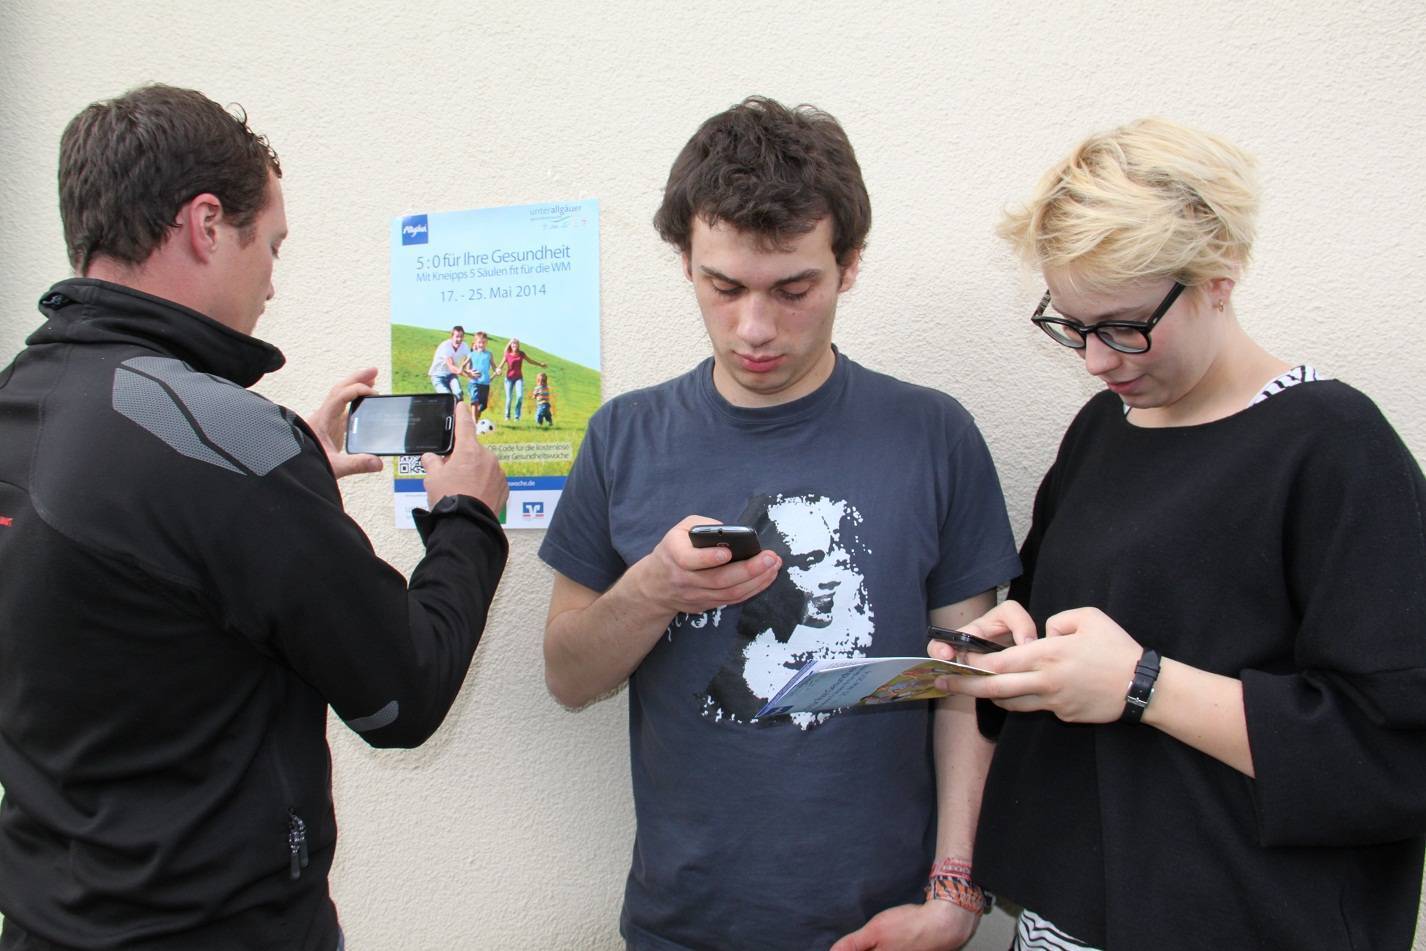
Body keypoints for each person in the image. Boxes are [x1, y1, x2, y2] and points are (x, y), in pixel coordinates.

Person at [0, 84, 511, 951]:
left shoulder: (24, 402)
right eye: (270, 244)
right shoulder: (228, 446)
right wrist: (466, 516)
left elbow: (131, 581)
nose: (274, 278)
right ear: (205, 225)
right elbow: (405, 695)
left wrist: (288, 467)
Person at [932, 118, 1426, 950]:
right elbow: (1062, 639)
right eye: (1073, 324)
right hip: (1069, 917)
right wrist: (1011, 652)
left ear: (1219, 275)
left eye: (1124, 325)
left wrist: (1143, 685)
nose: (1096, 359)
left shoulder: (1334, 446)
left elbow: (1394, 750)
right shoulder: (1103, 428)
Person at [539, 96, 1020, 951]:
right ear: (685, 259)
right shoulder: (624, 435)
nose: (754, 328)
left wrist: (955, 891)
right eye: (722, 287)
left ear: (850, 266)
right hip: (681, 924)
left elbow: (969, 682)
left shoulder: (932, 433)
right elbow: (569, 677)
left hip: (887, 921)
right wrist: (654, 588)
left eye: (793, 288)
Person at [495, 336, 545, 421]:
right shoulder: (507, 355)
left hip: (518, 378)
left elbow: (530, 361)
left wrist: (539, 364)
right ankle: (507, 416)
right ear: (510, 345)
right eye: (513, 344)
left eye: (516, 344)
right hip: (509, 379)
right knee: (509, 398)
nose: (514, 346)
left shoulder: (521, 354)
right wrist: (497, 371)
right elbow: (500, 366)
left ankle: (517, 417)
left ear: (518, 345)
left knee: (519, 396)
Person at [428, 324, 471, 399]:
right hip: (437, 375)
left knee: (458, 393)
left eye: (461, 336)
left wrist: (469, 370)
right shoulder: (445, 346)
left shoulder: (464, 346)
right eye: (457, 336)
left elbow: (469, 358)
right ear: (452, 337)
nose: (459, 339)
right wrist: (468, 375)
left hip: (451, 375)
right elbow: (451, 367)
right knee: (447, 397)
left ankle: (458, 409)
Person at [463, 329, 496, 423]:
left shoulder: (489, 354)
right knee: (475, 401)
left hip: (485, 383)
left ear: (487, 343)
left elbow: (494, 366)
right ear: (475, 343)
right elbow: (462, 367)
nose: (481, 344)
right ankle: (473, 421)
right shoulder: (471, 354)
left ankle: (475, 420)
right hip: (474, 382)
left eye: (484, 342)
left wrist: (497, 370)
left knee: (483, 405)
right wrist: (469, 372)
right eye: (479, 342)